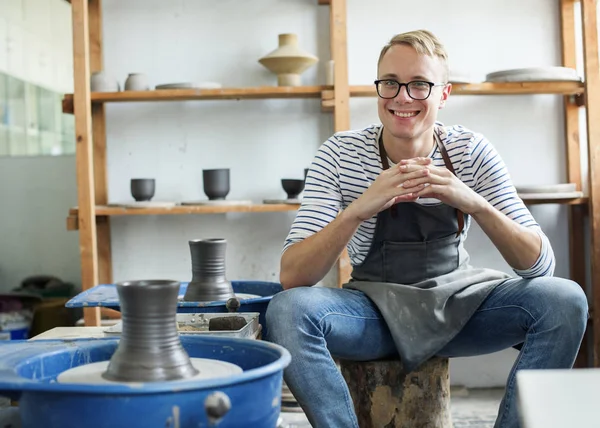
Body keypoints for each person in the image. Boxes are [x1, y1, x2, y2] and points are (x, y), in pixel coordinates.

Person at [265, 29, 589, 428]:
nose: (402, 97)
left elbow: (539, 268)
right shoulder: (339, 154)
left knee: (565, 300)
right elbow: (293, 276)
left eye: (420, 84)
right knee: (286, 311)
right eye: (390, 83)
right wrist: (357, 211)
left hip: (462, 309)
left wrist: (473, 202)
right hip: (375, 317)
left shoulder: (471, 150)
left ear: (444, 94)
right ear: (378, 89)